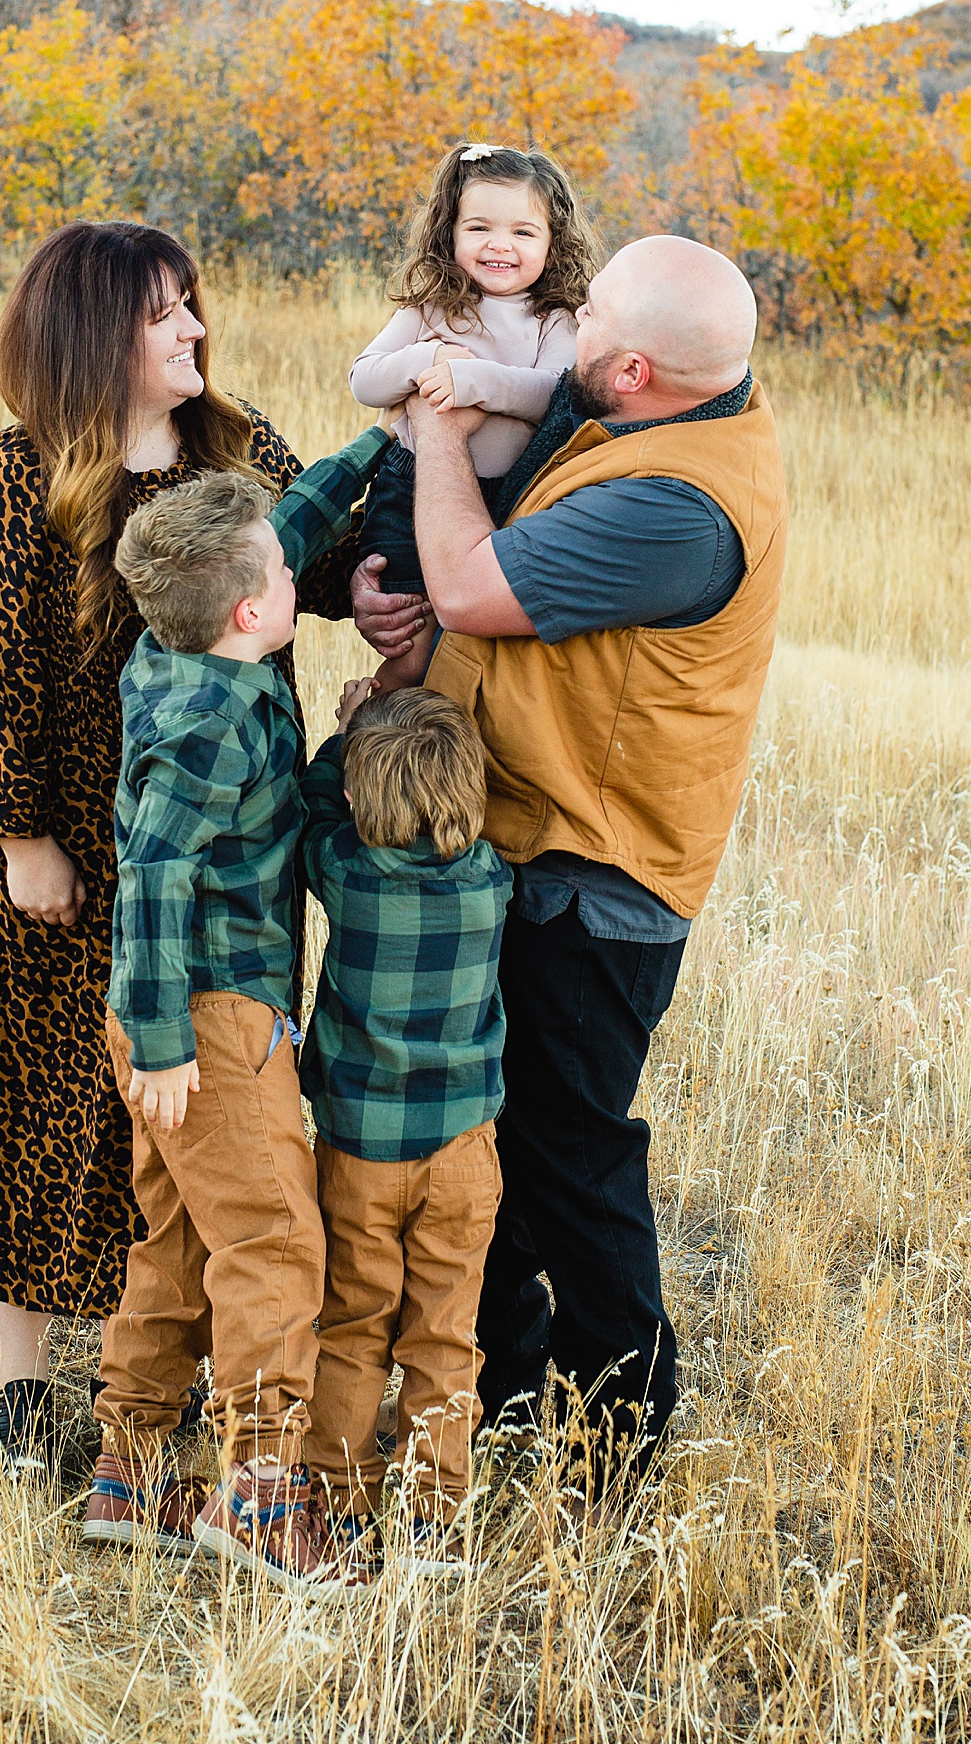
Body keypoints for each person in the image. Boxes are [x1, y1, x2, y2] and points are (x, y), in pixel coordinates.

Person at [350, 234, 787, 1478]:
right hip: (542, 838)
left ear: (636, 368)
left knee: (566, 1153)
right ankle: (497, 1395)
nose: (566, 324)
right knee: (505, 1144)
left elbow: (476, 585)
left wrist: (439, 420)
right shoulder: (673, 419)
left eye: (587, 316)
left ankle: (617, 1439)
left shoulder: (676, 503)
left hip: (597, 877)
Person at [0, 221, 359, 1472]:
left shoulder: (234, 447)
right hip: (52, 852)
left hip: (213, 854)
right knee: (38, 1096)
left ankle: (155, 1394)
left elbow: (314, 555)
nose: (193, 330)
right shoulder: (13, 481)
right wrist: (21, 836)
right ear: (93, 336)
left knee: (180, 1127)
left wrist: (375, 586)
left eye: (192, 306)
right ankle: (24, 1382)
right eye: (164, 313)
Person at [83, 435, 390, 1591]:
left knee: (177, 1235)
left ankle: (136, 1465)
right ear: (261, 612)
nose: (297, 571)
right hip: (204, 1016)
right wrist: (164, 1039)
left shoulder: (189, 640)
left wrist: (378, 444)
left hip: (176, 1012)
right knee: (272, 1239)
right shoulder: (211, 721)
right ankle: (262, 1492)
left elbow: (285, 533)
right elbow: (156, 871)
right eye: (282, 575)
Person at [298, 683, 511, 1559]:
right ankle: (434, 1519)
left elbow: (312, 809)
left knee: (352, 1325)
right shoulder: (492, 879)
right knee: (443, 1333)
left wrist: (343, 735)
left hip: (360, 1152)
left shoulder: (346, 873)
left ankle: (343, 1504)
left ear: (359, 796)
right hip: (464, 1154)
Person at [347, 142, 590, 683]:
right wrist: (432, 357)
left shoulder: (555, 319)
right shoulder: (431, 305)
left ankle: (436, 748)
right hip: (408, 490)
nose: (499, 246)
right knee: (410, 640)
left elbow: (555, 394)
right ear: (449, 233)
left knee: (471, 645)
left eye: (523, 233)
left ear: (554, 242)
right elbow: (364, 377)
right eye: (479, 228)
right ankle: (368, 737)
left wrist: (476, 381)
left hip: (510, 498)